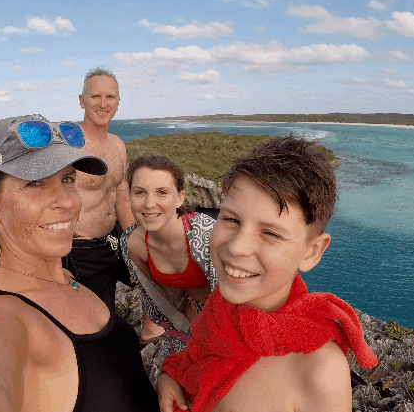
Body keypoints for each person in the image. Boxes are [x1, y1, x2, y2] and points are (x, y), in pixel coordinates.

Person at [157, 136, 379, 412]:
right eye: (231, 219)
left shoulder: (319, 372)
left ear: (312, 252)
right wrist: (171, 377)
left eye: (271, 233)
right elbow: (197, 355)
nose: (237, 247)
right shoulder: (225, 308)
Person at [0, 114, 159, 412]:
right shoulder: (3, 320)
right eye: (35, 183)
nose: (66, 201)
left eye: (67, 179)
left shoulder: (67, 277)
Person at [120, 155, 217, 355]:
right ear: (129, 195)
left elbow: (238, 299)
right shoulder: (132, 243)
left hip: (230, 318)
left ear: (180, 197)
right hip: (187, 318)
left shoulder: (205, 233)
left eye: (162, 192)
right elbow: (154, 297)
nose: (149, 204)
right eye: (140, 192)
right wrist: (179, 329)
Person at [62, 67, 136, 311]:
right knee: (79, 321)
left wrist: (134, 243)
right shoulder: (68, 143)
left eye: (110, 97)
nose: (103, 104)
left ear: (117, 103)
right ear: (82, 101)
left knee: (106, 315)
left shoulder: (118, 145)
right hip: (75, 250)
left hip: (109, 245)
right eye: (95, 96)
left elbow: (122, 199)